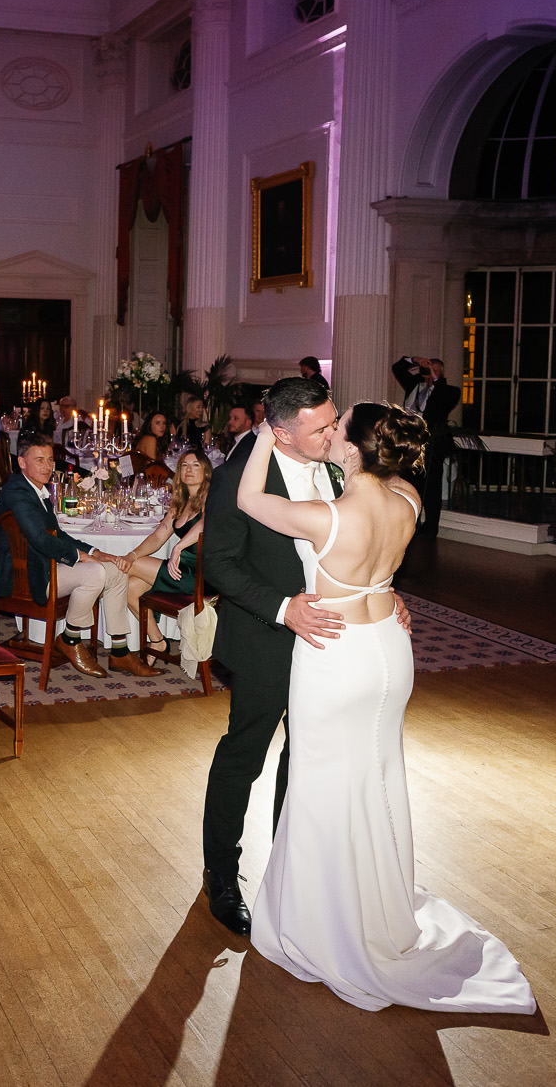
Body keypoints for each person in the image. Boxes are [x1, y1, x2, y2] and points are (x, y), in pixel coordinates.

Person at [236, 403, 536, 1015]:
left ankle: (325, 925)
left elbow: (248, 500)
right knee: (379, 777)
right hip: (389, 652)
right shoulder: (409, 501)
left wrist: (266, 434)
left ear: (352, 448)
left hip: (335, 653)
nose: (332, 430)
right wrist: (390, 587)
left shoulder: (326, 517)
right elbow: (386, 500)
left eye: (340, 424)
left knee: (322, 786)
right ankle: (381, 907)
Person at [197, 374, 347, 936]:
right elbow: (220, 564)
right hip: (266, 635)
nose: (333, 433)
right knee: (245, 755)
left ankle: (290, 872)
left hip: (331, 638)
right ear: (281, 433)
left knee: (305, 757)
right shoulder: (237, 478)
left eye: (333, 420)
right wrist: (284, 609)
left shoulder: (340, 469)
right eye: (320, 428)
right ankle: (221, 873)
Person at [0, 434, 130, 678]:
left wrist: (95, 552)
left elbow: (57, 534)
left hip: (41, 566)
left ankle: (120, 651)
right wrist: (80, 557)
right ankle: (69, 640)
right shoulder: (18, 492)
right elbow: (40, 539)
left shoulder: (34, 488)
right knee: (94, 573)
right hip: (23, 579)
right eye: (40, 460)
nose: (48, 467)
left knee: (116, 570)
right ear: (21, 462)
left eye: (50, 460)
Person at [121, 449, 211, 663]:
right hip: (181, 570)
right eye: (184, 465)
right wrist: (132, 554)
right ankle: (157, 640)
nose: (189, 470)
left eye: (195, 465)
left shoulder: (211, 496)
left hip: (203, 575)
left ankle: (117, 641)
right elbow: (159, 535)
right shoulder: (181, 501)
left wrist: (178, 547)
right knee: (131, 587)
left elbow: (207, 523)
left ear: (206, 471)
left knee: (126, 568)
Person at [391, 355, 460, 534]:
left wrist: (436, 379)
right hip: (410, 444)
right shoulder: (415, 385)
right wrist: (414, 360)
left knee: (431, 488)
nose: (430, 372)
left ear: (441, 373)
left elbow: (442, 399)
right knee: (409, 485)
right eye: (428, 368)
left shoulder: (450, 391)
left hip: (432, 445)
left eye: (434, 370)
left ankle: (431, 527)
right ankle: (410, 524)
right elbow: (397, 368)